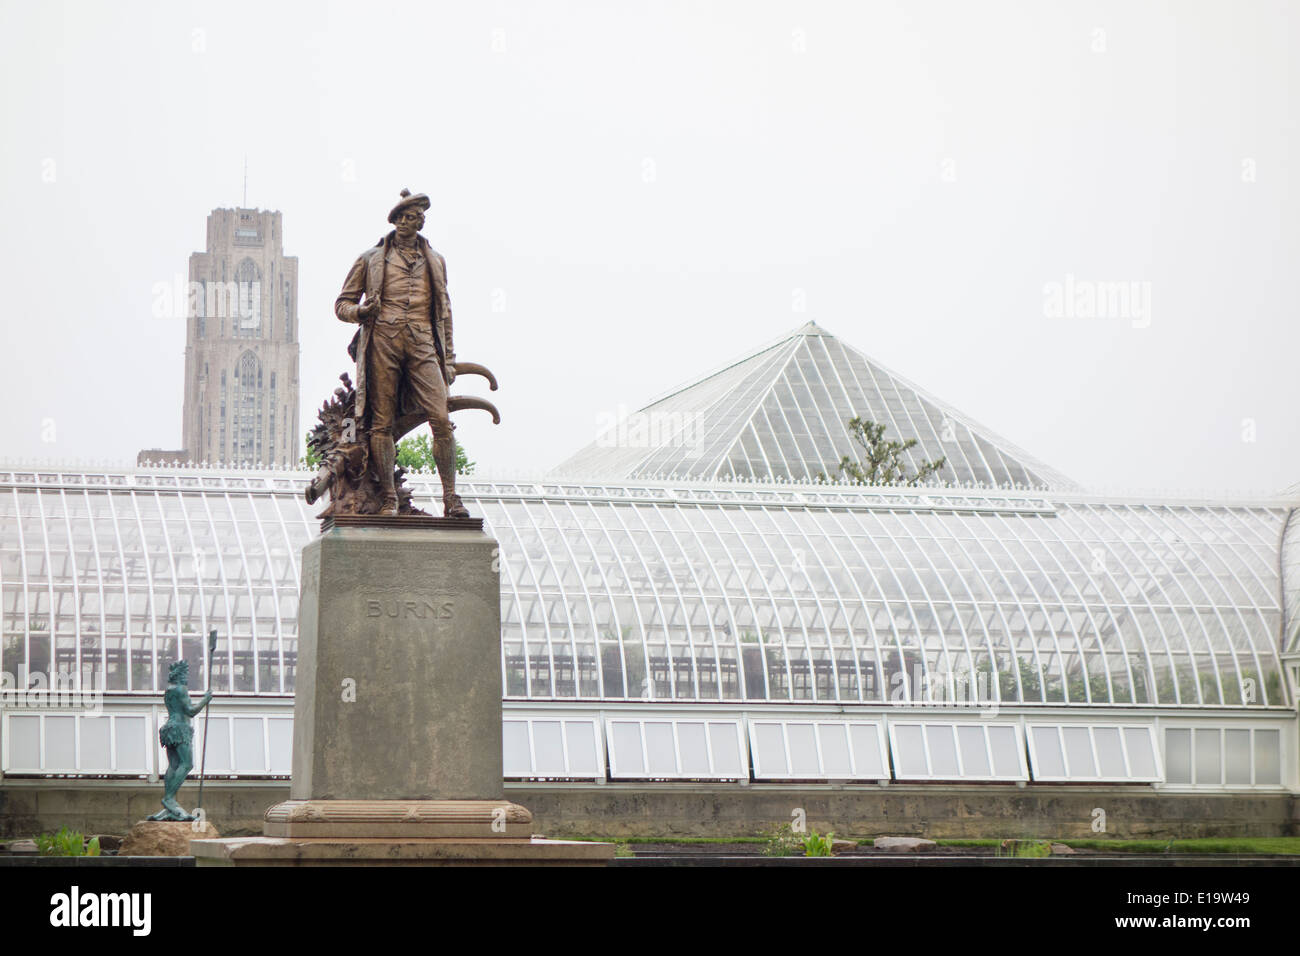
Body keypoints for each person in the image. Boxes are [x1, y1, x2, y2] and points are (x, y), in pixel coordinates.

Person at [335, 189, 469, 518]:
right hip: (383, 340)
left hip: (423, 341)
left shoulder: (435, 261)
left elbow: (445, 313)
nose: (416, 222)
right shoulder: (370, 259)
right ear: (396, 221)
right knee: (381, 424)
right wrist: (362, 312)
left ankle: (451, 498)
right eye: (409, 217)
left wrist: (448, 359)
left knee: (440, 417)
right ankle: (390, 499)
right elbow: (342, 305)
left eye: (420, 217)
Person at [148, 659, 213, 822]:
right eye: (185, 675)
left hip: (168, 728)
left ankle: (170, 804)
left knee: (174, 765)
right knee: (187, 764)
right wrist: (206, 699)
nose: (187, 678)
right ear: (180, 675)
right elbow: (190, 711)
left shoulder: (168, 690)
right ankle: (169, 798)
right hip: (180, 729)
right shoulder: (181, 689)